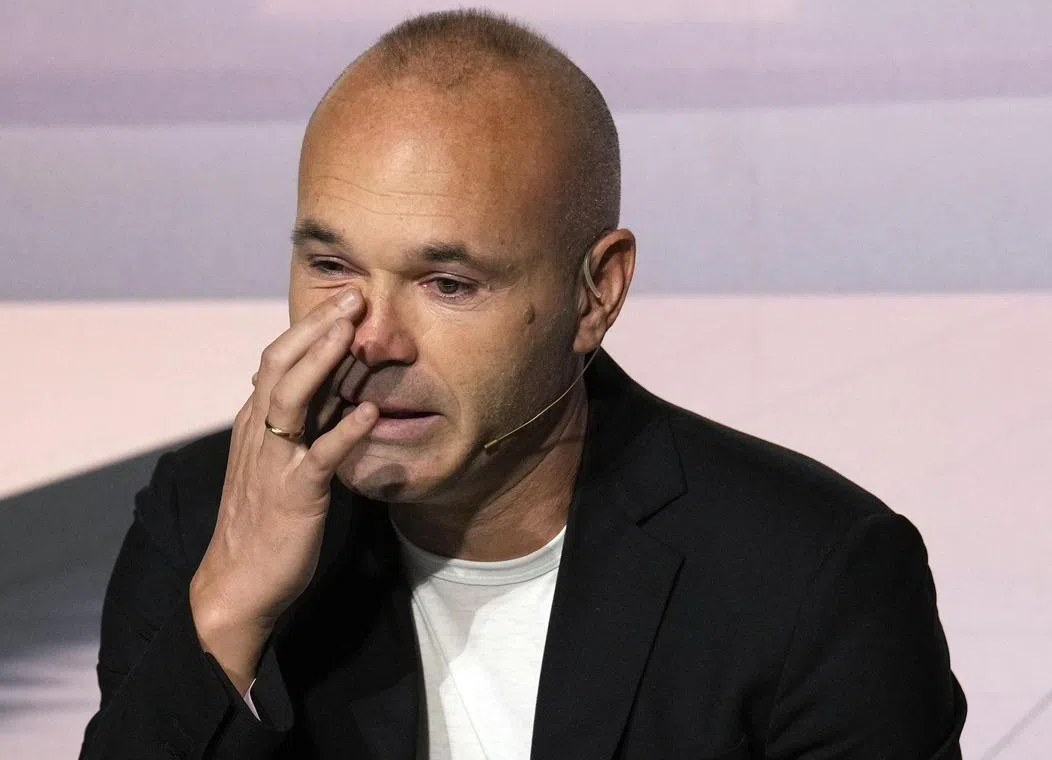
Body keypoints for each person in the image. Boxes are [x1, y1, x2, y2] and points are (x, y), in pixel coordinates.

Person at [79, 10, 966, 760]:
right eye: (331, 266)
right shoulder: (204, 524)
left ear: (596, 293)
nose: (371, 338)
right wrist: (229, 613)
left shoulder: (810, 578)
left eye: (448, 284)